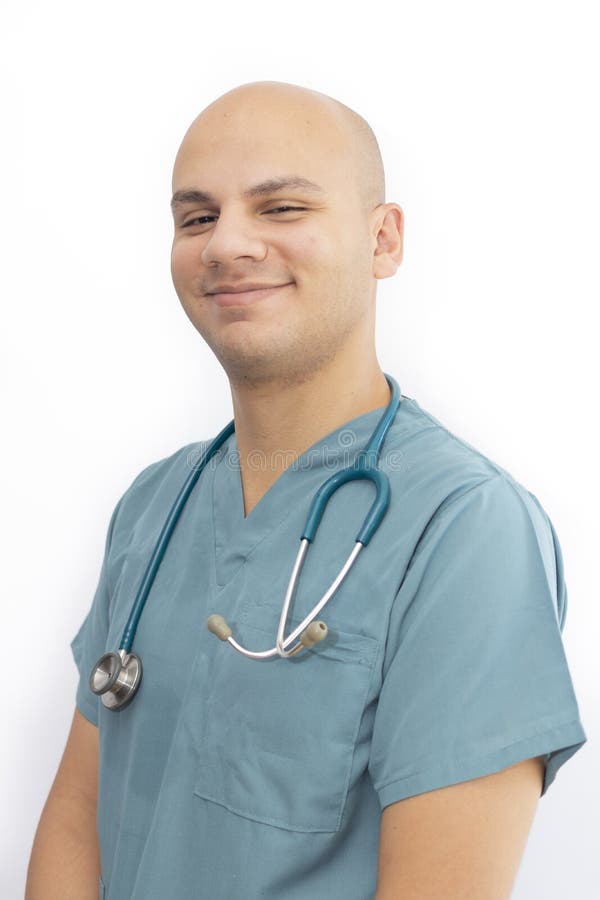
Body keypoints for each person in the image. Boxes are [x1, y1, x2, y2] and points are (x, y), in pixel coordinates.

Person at [26, 80, 587, 900]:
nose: (227, 245)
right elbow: (79, 812)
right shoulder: (157, 504)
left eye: (281, 208)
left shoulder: (465, 530)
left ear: (383, 241)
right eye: (196, 217)